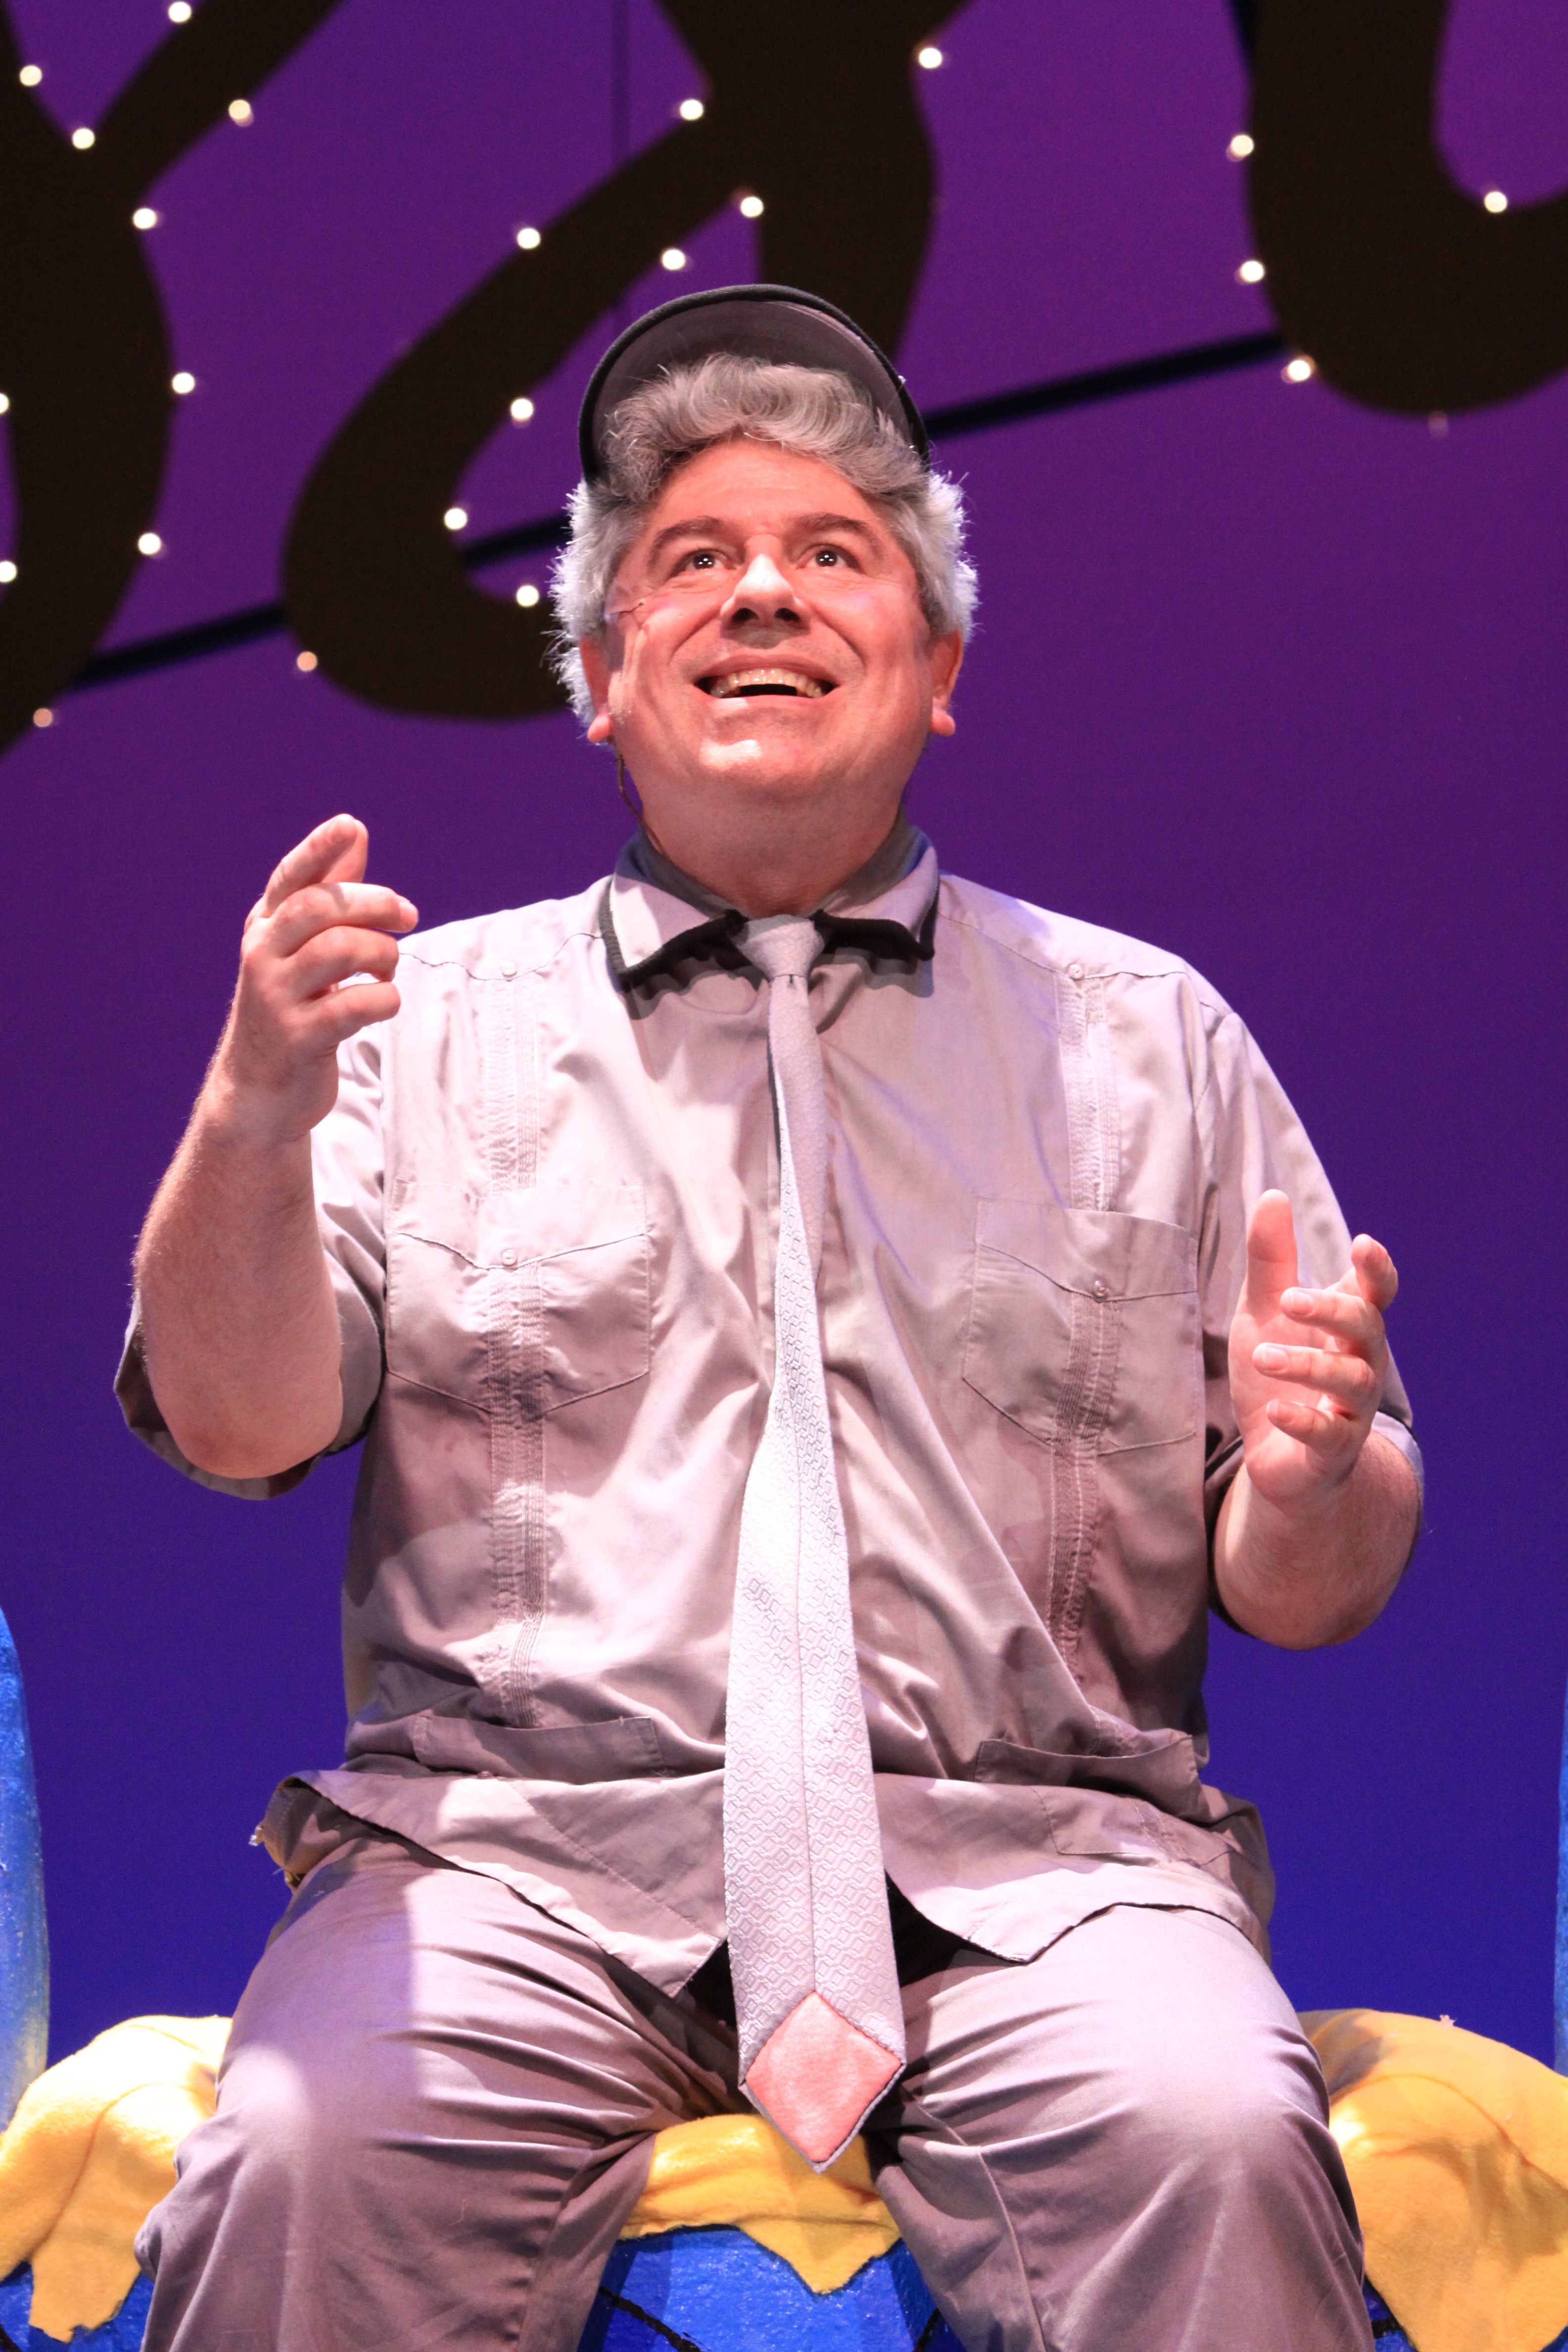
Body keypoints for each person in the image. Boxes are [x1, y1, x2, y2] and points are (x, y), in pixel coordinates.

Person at [120, 286, 1421, 2350]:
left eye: (837, 555)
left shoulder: (1148, 1038)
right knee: (306, 2154)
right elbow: (237, 1418)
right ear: (605, 677)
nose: (764, 597)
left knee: (1208, 2135)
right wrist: (252, 1109)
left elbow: (1313, 1584)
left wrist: (1316, 1464)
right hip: (513, 1870)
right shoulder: (426, 1027)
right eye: (691, 563)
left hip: (1040, 1879)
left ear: (942, 670)